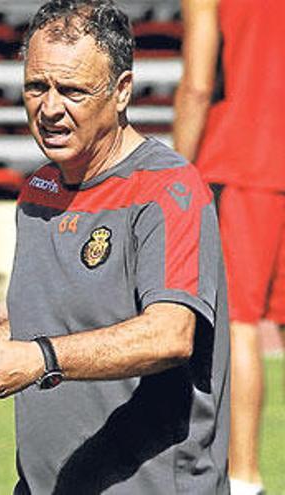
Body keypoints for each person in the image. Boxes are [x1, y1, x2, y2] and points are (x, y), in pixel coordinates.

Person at [0, 1, 231, 492]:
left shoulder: (168, 191)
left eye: (73, 90)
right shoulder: (40, 191)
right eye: (37, 86)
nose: (50, 108)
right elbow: (47, 318)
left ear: (121, 93)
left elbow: (169, 334)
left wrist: (41, 360)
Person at [173, 1, 285, 493]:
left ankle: (242, 479)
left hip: (243, 158)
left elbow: (197, 85)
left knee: (237, 324)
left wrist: (172, 178)